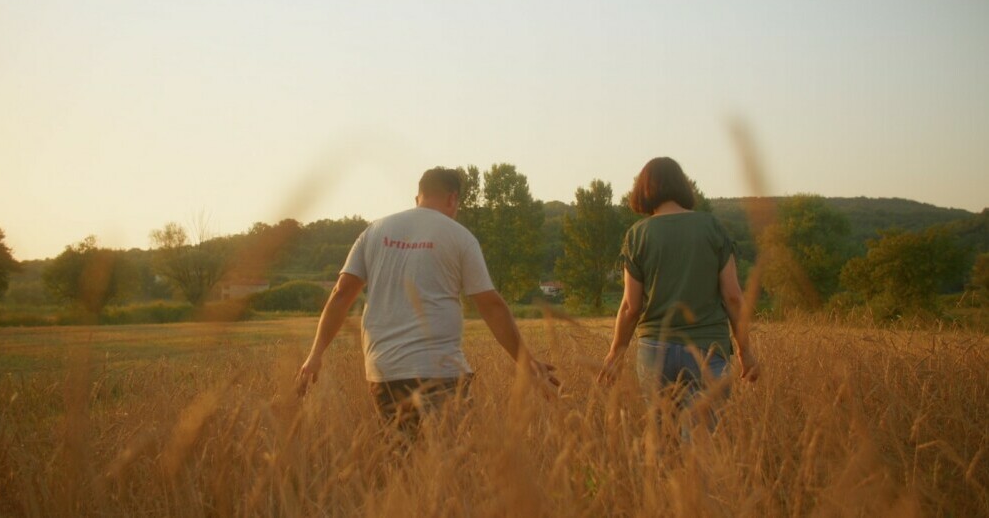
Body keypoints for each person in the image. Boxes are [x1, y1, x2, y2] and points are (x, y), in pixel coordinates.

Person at [296, 167, 558, 434]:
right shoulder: (460, 237)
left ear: (418, 197)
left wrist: (315, 355)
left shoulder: (374, 231)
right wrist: (525, 361)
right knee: (450, 461)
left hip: (384, 372)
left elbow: (341, 294)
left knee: (402, 462)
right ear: (453, 199)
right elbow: (490, 305)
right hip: (439, 372)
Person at [597, 157, 759, 429]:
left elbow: (630, 307)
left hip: (654, 350)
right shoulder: (712, 227)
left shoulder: (637, 235)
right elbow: (733, 296)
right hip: (708, 348)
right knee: (702, 447)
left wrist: (616, 353)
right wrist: (745, 351)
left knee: (661, 443)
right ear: (682, 186)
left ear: (643, 189)